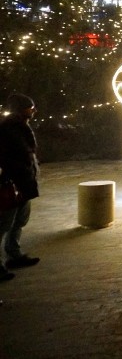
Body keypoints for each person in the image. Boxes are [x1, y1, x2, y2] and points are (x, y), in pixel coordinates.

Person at [0, 94, 41, 281]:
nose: (33, 111)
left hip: (24, 181)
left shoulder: (21, 127)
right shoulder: (8, 129)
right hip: (12, 183)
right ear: (20, 109)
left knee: (19, 221)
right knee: (4, 224)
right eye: (30, 108)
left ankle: (14, 254)